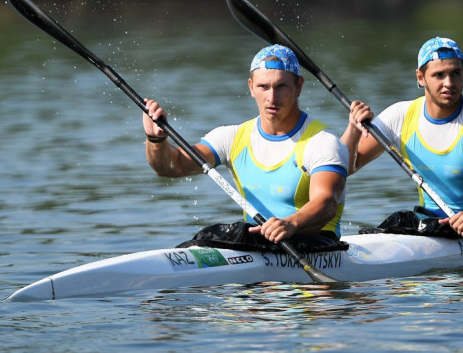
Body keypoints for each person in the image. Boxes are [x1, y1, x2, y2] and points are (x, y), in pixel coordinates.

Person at [142, 44, 349, 248]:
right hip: (259, 245)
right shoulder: (231, 138)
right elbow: (171, 167)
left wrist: (290, 224)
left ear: (299, 87)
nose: (272, 98)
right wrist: (156, 140)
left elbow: (326, 203)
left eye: (281, 86)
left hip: (316, 244)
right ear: (251, 87)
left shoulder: (322, 141)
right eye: (263, 87)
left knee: (239, 234)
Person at [342, 37, 463, 237]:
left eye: (455, 73)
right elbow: (346, 167)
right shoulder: (400, 116)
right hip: (431, 223)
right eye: (439, 75)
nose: (449, 83)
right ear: (420, 77)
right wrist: (353, 130)